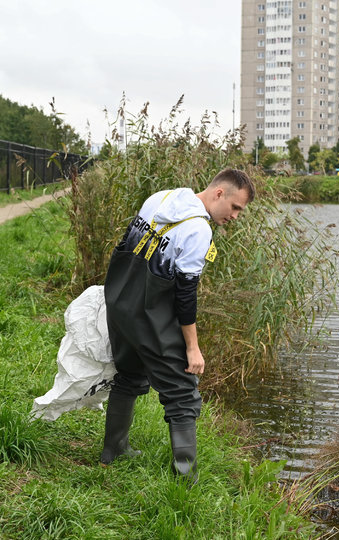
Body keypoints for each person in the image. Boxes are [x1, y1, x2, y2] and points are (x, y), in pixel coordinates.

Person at [99, 168, 255, 481]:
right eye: (235, 207)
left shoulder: (163, 197)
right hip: (150, 316)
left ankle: (112, 451)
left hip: (120, 303)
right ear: (219, 193)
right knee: (183, 393)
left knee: (128, 375)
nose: (236, 216)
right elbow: (185, 295)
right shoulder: (199, 230)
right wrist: (193, 348)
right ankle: (186, 480)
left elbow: (129, 246)